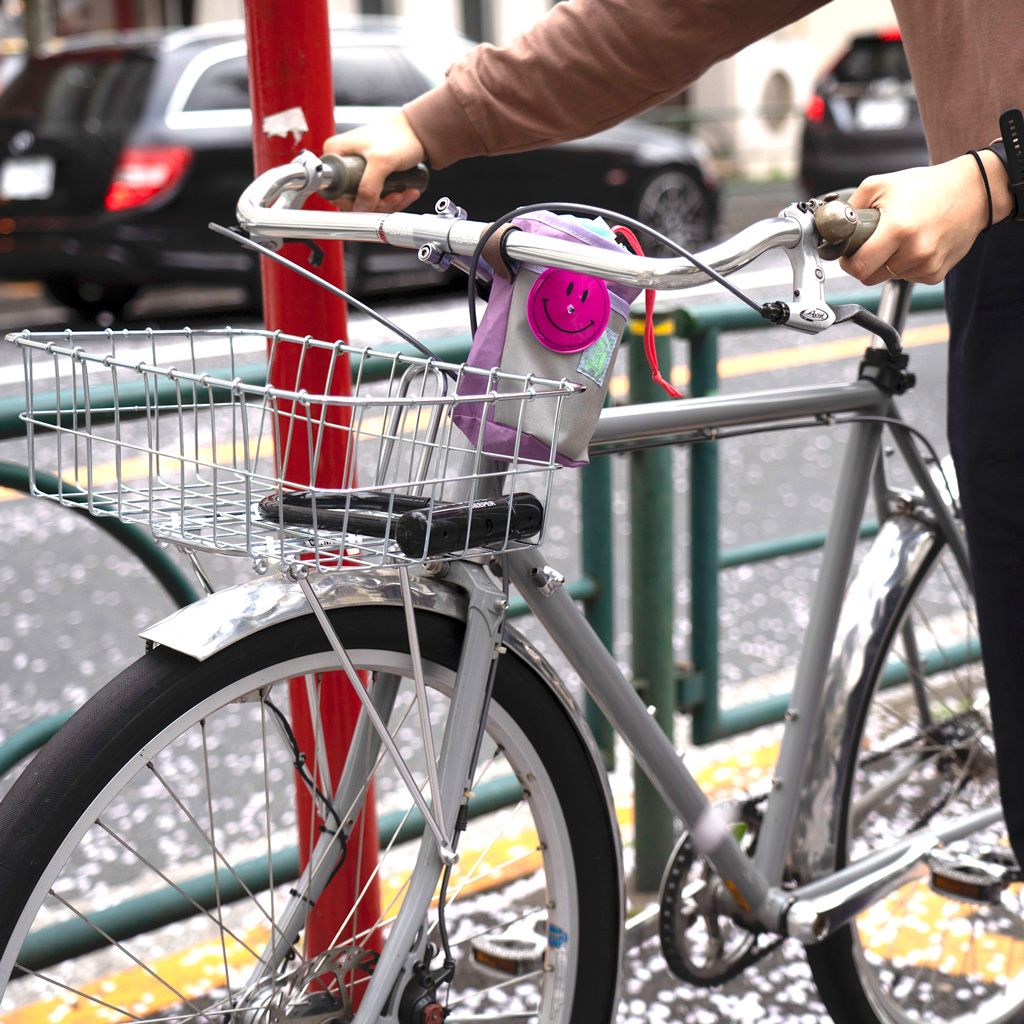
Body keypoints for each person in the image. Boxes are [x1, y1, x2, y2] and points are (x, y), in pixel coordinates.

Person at [325, 0, 1024, 862]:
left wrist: (998, 174)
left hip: (987, 197)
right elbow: (675, 11)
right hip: (990, 240)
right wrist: (428, 125)